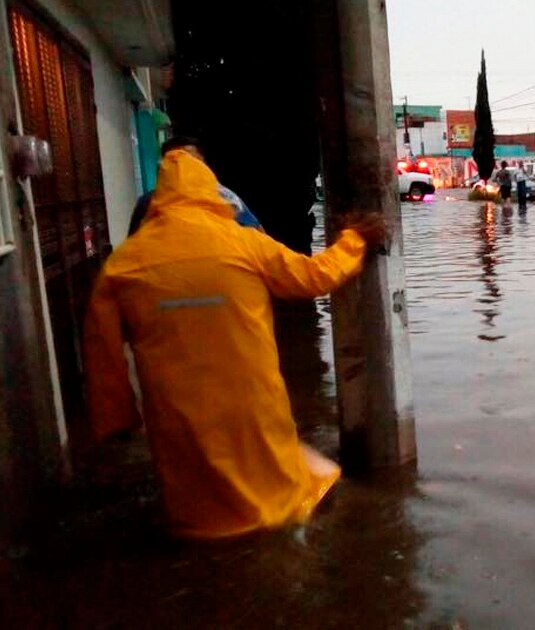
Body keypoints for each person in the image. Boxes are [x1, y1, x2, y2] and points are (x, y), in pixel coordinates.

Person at [84, 149, 388, 539]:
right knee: (282, 490)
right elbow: (315, 277)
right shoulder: (243, 243)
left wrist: (117, 420)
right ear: (209, 190)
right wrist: (354, 240)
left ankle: (205, 530)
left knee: (196, 499)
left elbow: (102, 354)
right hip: (252, 402)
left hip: (176, 413)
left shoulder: (123, 263)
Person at [127, 137, 263, 238]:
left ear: (203, 163)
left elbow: (257, 232)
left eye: (191, 160)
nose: (184, 165)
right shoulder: (148, 202)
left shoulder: (226, 197)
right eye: (176, 160)